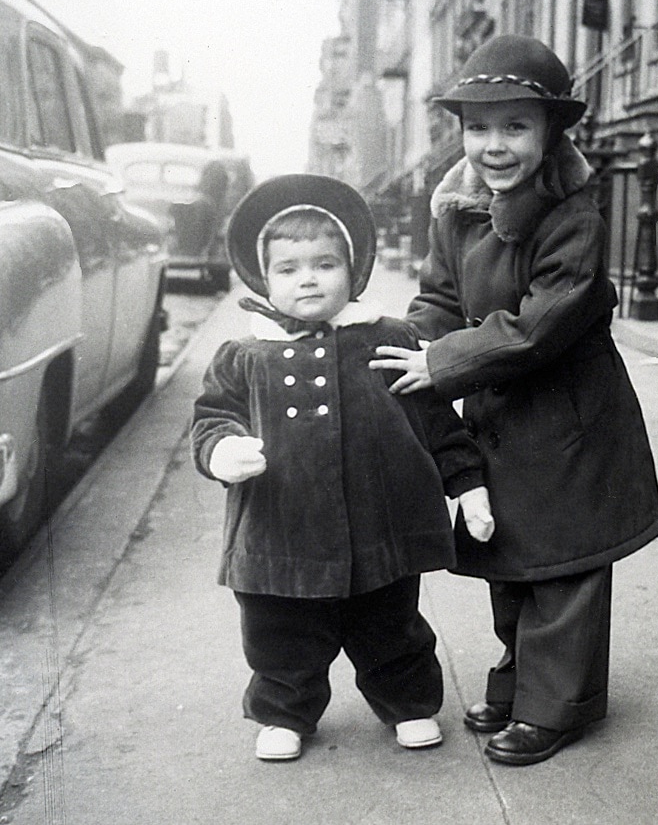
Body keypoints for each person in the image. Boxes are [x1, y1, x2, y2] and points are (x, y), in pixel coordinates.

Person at [370, 35, 658, 766]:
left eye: (514, 127)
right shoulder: (459, 210)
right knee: (510, 555)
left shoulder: (572, 216)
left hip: (569, 416)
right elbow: (439, 296)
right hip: (500, 414)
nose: (492, 146)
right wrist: (407, 344)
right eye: (477, 127)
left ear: (550, 132)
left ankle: (556, 706)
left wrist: (441, 362)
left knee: (564, 561)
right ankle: (519, 678)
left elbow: (539, 325)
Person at [190, 174, 494, 762]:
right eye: (289, 268)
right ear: (262, 278)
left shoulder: (385, 338)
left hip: (380, 524)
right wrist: (222, 449)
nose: (308, 277)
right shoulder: (244, 355)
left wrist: (469, 485)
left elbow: (435, 421)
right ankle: (283, 713)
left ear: (353, 272)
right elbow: (211, 416)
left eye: (325, 264)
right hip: (279, 528)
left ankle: (408, 703)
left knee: (391, 624)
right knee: (281, 633)